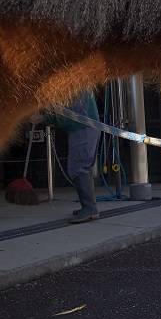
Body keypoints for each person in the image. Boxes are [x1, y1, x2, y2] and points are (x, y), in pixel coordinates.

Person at [52, 90, 102, 224]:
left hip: (82, 128)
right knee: (83, 168)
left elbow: (67, 114)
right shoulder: (80, 83)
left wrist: (45, 118)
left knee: (78, 168)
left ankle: (89, 208)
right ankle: (88, 207)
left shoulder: (72, 86)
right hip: (86, 127)